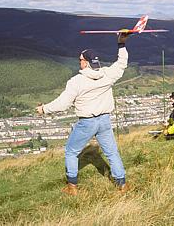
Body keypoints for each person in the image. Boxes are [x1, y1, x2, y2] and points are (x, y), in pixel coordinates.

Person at [36, 33, 130, 196]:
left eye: (80, 59)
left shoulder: (76, 82)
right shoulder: (107, 75)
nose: (79, 62)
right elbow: (122, 63)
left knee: (71, 152)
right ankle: (122, 184)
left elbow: (62, 103)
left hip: (87, 122)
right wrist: (121, 44)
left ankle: (72, 187)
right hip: (105, 121)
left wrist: (44, 109)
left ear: (85, 62)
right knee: (112, 152)